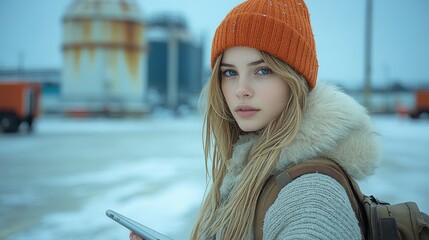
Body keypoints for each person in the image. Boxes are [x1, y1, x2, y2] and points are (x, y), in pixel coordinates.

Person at [130, 0, 381, 239]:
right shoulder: (248, 166)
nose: (241, 89)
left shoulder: (311, 195)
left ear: (295, 80)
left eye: (262, 70)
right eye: (230, 72)